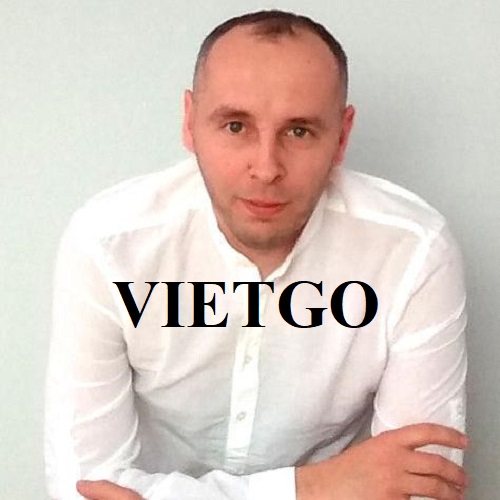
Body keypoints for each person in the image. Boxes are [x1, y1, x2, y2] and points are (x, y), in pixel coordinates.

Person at [45, 9, 468, 500]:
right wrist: (314, 488)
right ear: (189, 122)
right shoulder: (107, 245)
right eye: (235, 126)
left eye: (299, 131)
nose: (266, 168)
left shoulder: (415, 251)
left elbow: (421, 486)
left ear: (342, 136)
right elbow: (83, 489)